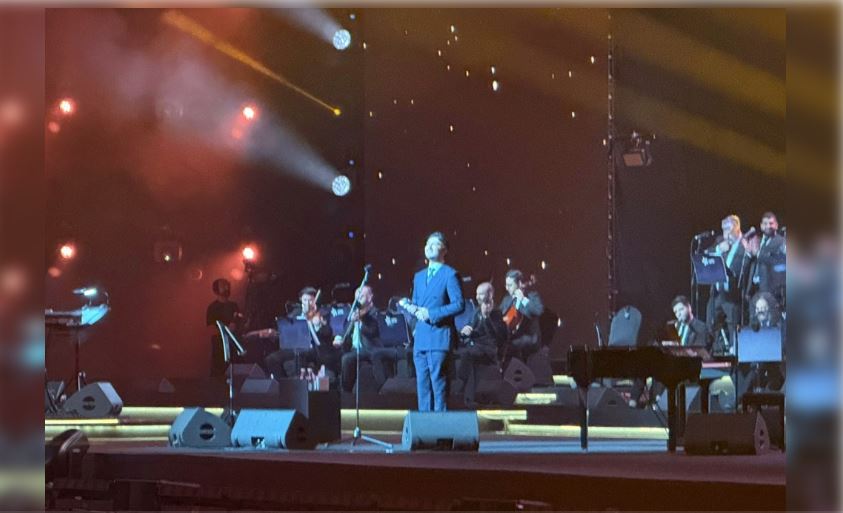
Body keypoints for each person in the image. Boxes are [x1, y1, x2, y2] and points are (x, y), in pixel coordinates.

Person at [402, 232, 465, 412]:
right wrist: (410, 308)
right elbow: (416, 304)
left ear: (444, 250)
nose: (429, 246)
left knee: (438, 384)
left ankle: (440, 424)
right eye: (427, 243)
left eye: (435, 244)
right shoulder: (419, 276)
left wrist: (431, 314)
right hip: (421, 337)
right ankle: (424, 424)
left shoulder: (450, 274)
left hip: (439, 336)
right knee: (422, 386)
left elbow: (459, 304)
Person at [628, 295, 710, 408]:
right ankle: (634, 399)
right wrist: (664, 345)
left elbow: (698, 354)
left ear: (689, 307)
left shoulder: (701, 328)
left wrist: (679, 347)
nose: (678, 314)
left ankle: (657, 399)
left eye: (681, 309)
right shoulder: (673, 326)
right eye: (676, 312)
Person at [264, 287, 339, 380]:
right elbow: (287, 331)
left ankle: (301, 383)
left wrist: (318, 324)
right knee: (271, 359)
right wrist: (276, 334)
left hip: (315, 349)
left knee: (301, 355)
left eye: (310, 300)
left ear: (315, 301)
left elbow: (328, 333)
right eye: (305, 300)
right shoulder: (295, 314)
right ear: (301, 301)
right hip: (296, 347)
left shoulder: (323, 313)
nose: (307, 303)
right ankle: (283, 384)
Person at [456, 282, 507, 407]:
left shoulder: (497, 313)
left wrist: (486, 317)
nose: (477, 297)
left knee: (468, 355)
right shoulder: (477, 310)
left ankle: (464, 387)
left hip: (489, 349)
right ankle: (464, 388)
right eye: (476, 294)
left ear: (490, 295)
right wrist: (467, 330)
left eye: (481, 294)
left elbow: (497, 335)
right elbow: (473, 327)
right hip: (476, 346)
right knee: (462, 352)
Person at [705, 214, 751, 353]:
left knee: (733, 325)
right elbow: (706, 254)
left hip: (733, 294)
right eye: (723, 229)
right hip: (717, 293)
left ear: (737, 227)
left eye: (728, 229)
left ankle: (733, 351)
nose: (725, 233)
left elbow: (748, 265)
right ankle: (716, 350)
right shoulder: (720, 241)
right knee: (711, 322)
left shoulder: (745, 243)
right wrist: (718, 250)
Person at [334, 285, 392, 392]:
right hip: (354, 348)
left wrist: (361, 320)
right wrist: (339, 337)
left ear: (370, 297)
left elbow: (372, 332)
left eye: (361, 297)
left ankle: (346, 391)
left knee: (346, 359)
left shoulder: (376, 313)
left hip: (369, 349)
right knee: (334, 355)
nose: (357, 300)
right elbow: (346, 329)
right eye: (356, 297)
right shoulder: (354, 312)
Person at [499, 269, 544, 363]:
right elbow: (500, 317)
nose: (507, 288)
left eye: (510, 285)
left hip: (528, 337)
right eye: (506, 285)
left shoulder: (532, 296)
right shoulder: (507, 299)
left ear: (519, 283)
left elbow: (539, 311)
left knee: (511, 347)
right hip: (512, 336)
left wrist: (523, 299)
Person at [746, 211, 786, 307]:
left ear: (776, 225)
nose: (768, 226)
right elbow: (751, 265)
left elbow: (778, 261)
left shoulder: (781, 242)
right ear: (761, 226)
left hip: (771, 291)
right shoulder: (757, 241)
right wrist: (748, 253)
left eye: (771, 223)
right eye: (765, 223)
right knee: (753, 316)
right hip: (754, 290)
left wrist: (758, 254)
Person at [205, 278, 241, 378]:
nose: (226, 288)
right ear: (216, 289)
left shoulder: (234, 306)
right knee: (219, 371)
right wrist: (225, 330)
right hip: (219, 345)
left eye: (227, 285)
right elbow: (211, 328)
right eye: (223, 286)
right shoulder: (212, 307)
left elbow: (239, 322)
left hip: (233, 345)